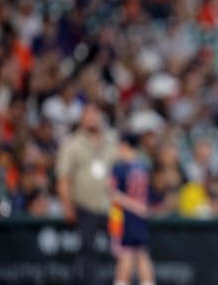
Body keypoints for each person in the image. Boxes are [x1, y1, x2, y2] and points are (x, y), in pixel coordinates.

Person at [56, 103, 119, 285]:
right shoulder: (72, 143)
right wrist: (67, 205)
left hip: (111, 204)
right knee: (87, 250)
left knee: (120, 249)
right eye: (88, 115)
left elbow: (123, 168)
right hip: (85, 205)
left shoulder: (111, 139)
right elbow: (64, 177)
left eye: (95, 114)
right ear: (82, 118)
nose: (92, 119)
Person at [108, 133, 155, 285]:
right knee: (141, 252)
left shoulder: (120, 167)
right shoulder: (144, 165)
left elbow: (114, 194)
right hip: (142, 216)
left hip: (127, 216)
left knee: (127, 253)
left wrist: (134, 206)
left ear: (124, 146)